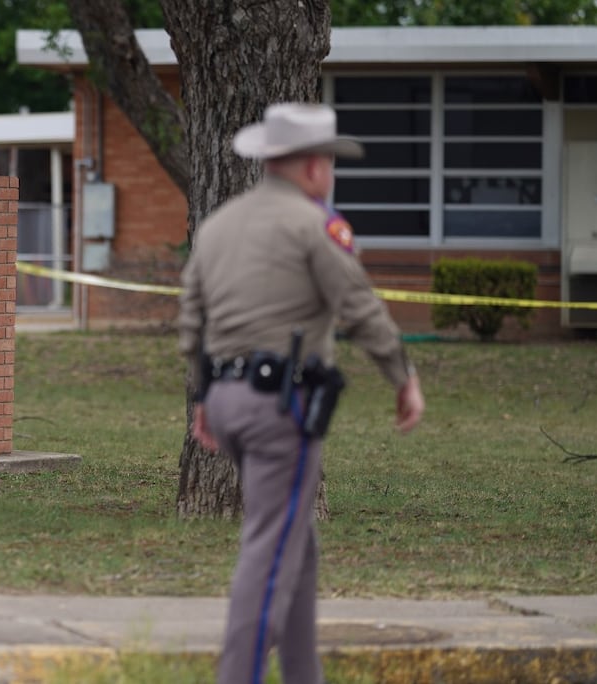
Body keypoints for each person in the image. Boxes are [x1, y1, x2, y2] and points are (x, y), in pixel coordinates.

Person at [177, 103, 425, 684]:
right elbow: (359, 306)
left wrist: (204, 399)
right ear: (314, 166)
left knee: (296, 546)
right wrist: (402, 376)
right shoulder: (316, 225)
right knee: (268, 552)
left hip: (229, 402)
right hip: (279, 409)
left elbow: (191, 324)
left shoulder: (217, 226)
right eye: (331, 162)